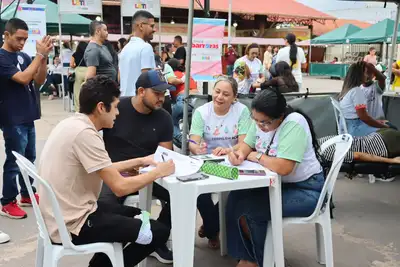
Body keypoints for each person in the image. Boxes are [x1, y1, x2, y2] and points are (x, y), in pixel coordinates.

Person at [38, 75, 175, 267]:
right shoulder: (86, 135)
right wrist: (157, 172)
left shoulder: (73, 124)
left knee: (134, 214)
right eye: (116, 106)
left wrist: (142, 160)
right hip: (75, 223)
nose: (118, 113)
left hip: (64, 213)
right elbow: (119, 187)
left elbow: (104, 167)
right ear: (101, 107)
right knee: (158, 232)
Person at [226, 89, 324, 267]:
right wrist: (238, 155)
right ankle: (247, 256)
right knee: (235, 197)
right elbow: (246, 145)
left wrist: (256, 156)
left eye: (265, 123)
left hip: (307, 190)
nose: (259, 126)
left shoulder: (294, 123)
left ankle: (266, 260)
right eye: (255, 120)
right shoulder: (259, 120)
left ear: (280, 116)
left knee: (251, 211)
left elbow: (284, 167)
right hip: (277, 185)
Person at [100, 70, 175, 264]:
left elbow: (165, 155)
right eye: (157, 93)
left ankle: (155, 239)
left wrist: (147, 168)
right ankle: (108, 258)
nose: (162, 98)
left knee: (181, 196)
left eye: (164, 93)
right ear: (141, 91)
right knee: (105, 210)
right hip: (114, 172)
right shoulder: (117, 108)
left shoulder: (164, 117)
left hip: (149, 173)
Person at [189, 76, 251, 249]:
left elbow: (245, 142)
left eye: (226, 94)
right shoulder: (202, 111)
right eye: (217, 92)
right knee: (200, 194)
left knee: (234, 195)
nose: (220, 97)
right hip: (207, 163)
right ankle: (212, 228)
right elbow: (193, 141)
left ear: (234, 97)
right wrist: (197, 148)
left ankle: (211, 228)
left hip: (233, 162)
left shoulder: (242, 111)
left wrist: (229, 150)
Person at [0, 18, 52, 219]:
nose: (22, 43)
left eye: (25, 39)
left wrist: (44, 58)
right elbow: (23, 78)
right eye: (19, 38)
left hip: (28, 115)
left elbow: (38, 80)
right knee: (14, 160)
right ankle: (7, 201)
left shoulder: (24, 56)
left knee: (29, 158)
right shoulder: (2, 57)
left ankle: (26, 193)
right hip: (12, 117)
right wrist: (39, 55)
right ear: (6, 35)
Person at [339, 61, 389, 137]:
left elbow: (363, 117)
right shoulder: (357, 91)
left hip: (350, 126)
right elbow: (364, 117)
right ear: (359, 75)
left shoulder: (349, 90)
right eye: (365, 73)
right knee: (391, 130)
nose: (367, 76)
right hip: (356, 128)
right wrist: (384, 127)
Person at [119, 10, 156, 96]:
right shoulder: (146, 47)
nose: (154, 29)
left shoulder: (125, 49)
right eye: (152, 26)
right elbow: (146, 79)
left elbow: (119, 77)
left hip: (124, 99)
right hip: (139, 101)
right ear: (141, 26)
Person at [320, 129, 400, 165]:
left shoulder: (325, 153)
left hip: (385, 145)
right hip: (381, 134)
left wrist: (391, 160)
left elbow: (358, 156)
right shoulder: (320, 141)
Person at [168, 58, 198, 141]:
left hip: (183, 98)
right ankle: (193, 142)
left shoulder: (173, 74)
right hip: (197, 100)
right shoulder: (186, 74)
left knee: (170, 122)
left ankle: (182, 140)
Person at [70, 41, 88, 111]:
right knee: (87, 90)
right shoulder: (88, 54)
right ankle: (86, 108)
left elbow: (71, 65)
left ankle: (78, 109)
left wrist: (75, 66)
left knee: (77, 91)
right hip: (88, 71)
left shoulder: (75, 54)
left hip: (78, 72)